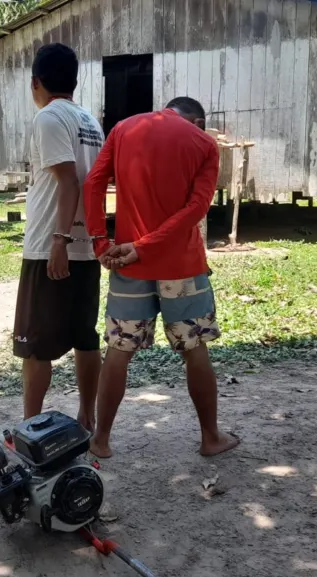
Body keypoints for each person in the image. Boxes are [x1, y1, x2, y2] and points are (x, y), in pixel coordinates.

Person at [82, 97, 240, 458]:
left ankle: (101, 440)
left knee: (118, 352)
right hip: (181, 267)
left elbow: (93, 183)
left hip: (127, 263)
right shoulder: (203, 143)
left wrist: (100, 242)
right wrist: (148, 246)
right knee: (195, 350)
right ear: (198, 121)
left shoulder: (124, 128)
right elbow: (196, 209)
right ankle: (210, 437)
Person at [13, 43, 105, 431]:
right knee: (85, 337)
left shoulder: (49, 118)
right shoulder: (89, 121)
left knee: (34, 345)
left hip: (52, 247)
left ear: (36, 83)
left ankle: (29, 427)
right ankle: (87, 418)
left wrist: (58, 241)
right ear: (75, 80)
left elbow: (68, 181)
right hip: (85, 249)